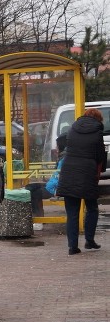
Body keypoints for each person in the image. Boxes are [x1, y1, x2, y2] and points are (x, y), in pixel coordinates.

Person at [55, 108, 107, 255]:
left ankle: (72, 247)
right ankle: (89, 241)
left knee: (72, 212)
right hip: (87, 173)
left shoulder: (72, 129)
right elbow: (100, 155)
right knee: (91, 208)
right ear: (98, 119)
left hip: (68, 171)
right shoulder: (97, 132)